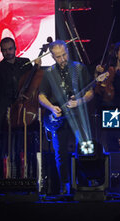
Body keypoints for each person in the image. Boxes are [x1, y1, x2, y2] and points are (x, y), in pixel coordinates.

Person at [38, 40, 94, 194]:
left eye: (64, 55)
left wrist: (80, 101)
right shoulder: (49, 73)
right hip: (58, 118)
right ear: (53, 57)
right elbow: (41, 96)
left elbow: (90, 92)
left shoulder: (79, 68)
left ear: (68, 51)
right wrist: (51, 107)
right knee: (60, 153)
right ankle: (65, 185)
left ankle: (83, 184)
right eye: (58, 57)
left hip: (78, 116)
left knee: (84, 149)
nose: (62, 59)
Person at [0, 37, 40, 178]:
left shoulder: (25, 63)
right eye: (4, 50)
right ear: (1, 51)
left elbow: (33, 82)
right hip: (8, 104)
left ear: (15, 48)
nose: (8, 52)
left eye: (10, 49)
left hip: (25, 105)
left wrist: (37, 66)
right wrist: (15, 97)